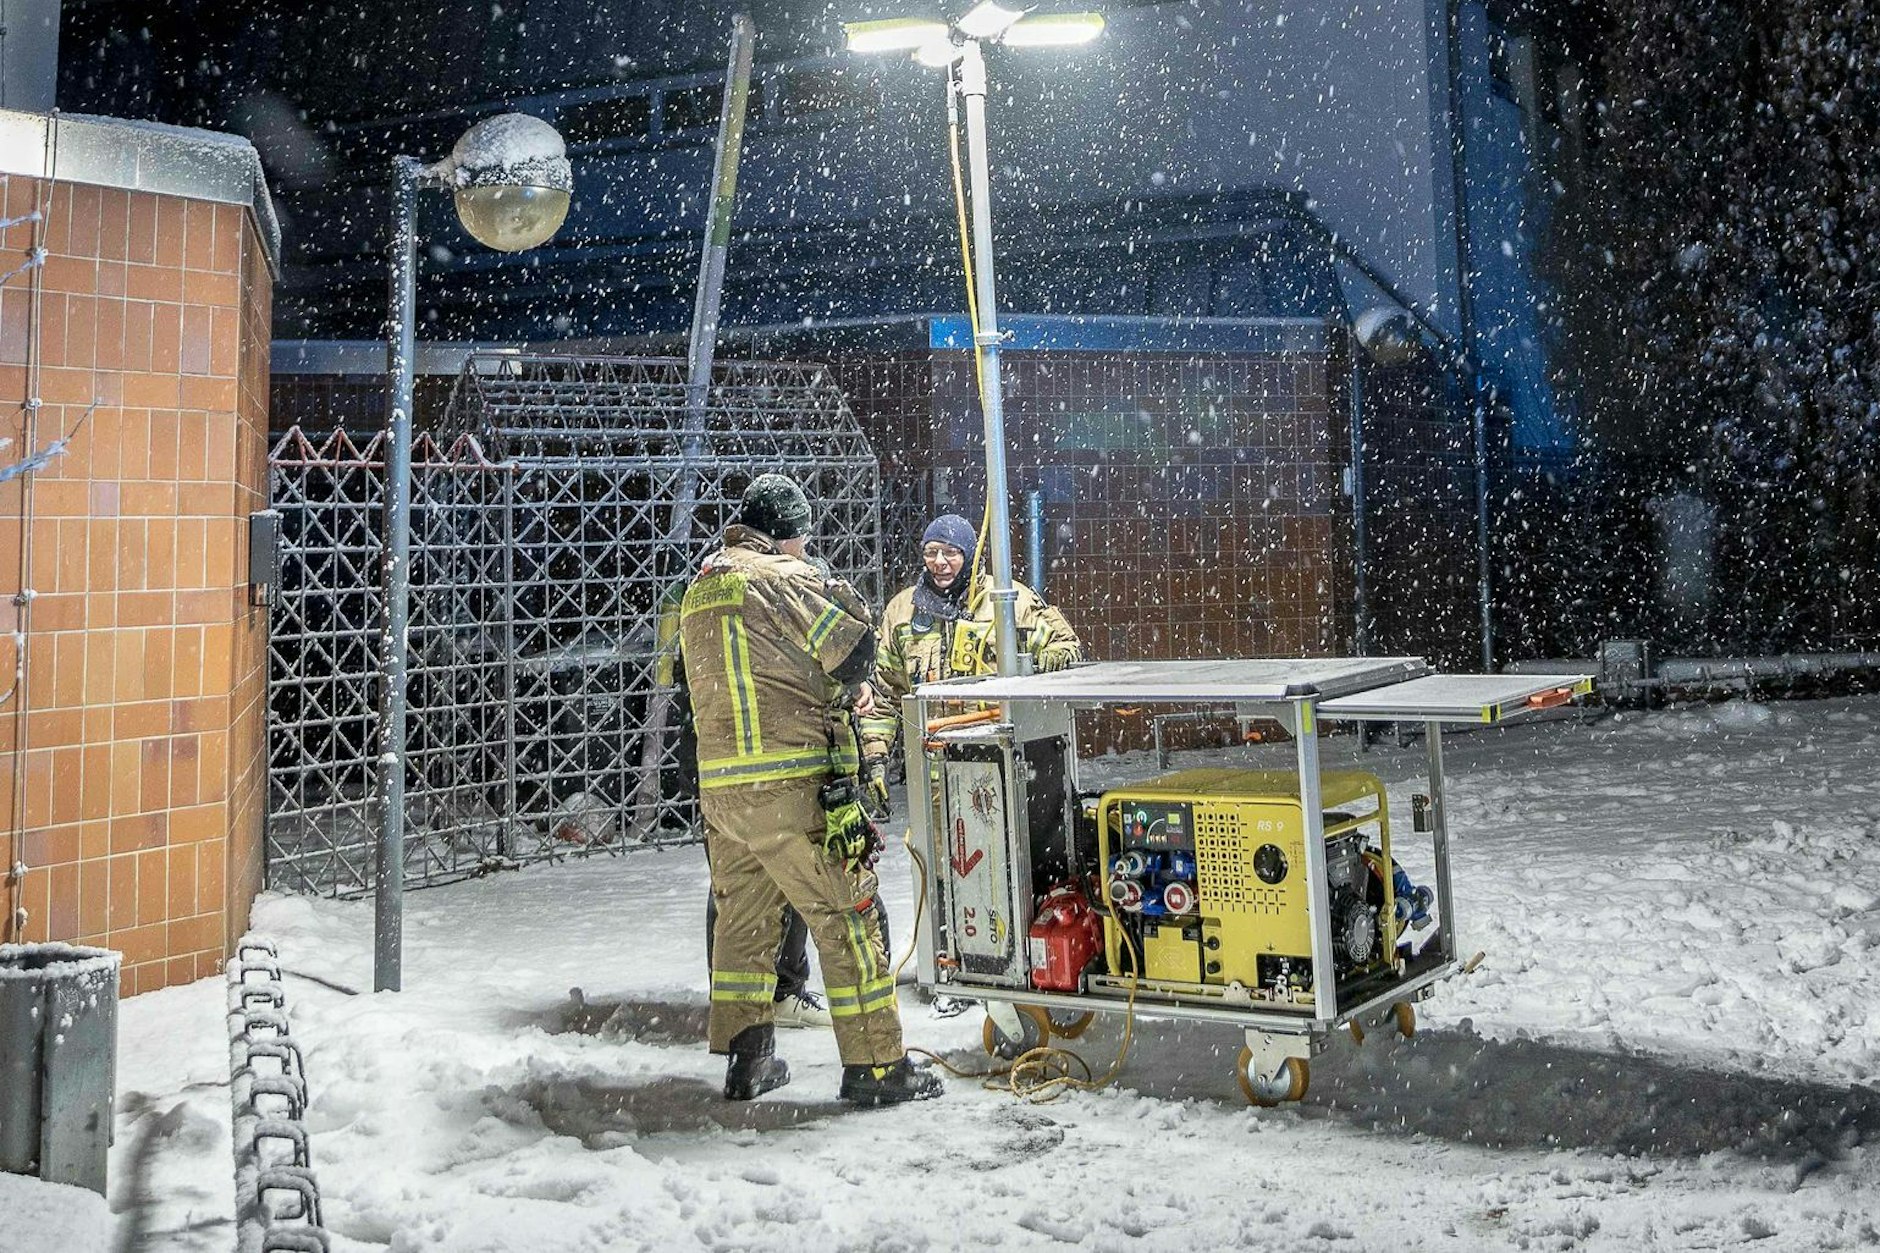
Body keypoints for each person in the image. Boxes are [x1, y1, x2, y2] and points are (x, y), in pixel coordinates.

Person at [679, 472, 942, 1105]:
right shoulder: (786, 580)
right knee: (846, 916)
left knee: (744, 924)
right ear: (785, 535)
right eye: (800, 538)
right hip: (792, 784)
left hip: (723, 791)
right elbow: (853, 656)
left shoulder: (700, 587)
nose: (804, 548)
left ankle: (749, 1062)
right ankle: (876, 1067)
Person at [657, 581, 832, 1031]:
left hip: (720, 766)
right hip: (767, 767)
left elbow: (676, 677)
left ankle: (739, 1011)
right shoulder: (778, 589)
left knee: (735, 891)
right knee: (787, 882)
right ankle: (778, 993)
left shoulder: (696, 594)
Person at [857, 512, 1084, 811]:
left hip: (1001, 769)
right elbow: (885, 696)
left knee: (1003, 851)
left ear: (971, 554)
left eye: (951, 552)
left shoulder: (1009, 603)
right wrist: (876, 760)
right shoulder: (902, 614)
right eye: (931, 552)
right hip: (934, 778)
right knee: (937, 855)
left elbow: (1068, 647)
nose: (939, 561)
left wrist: (1056, 656)